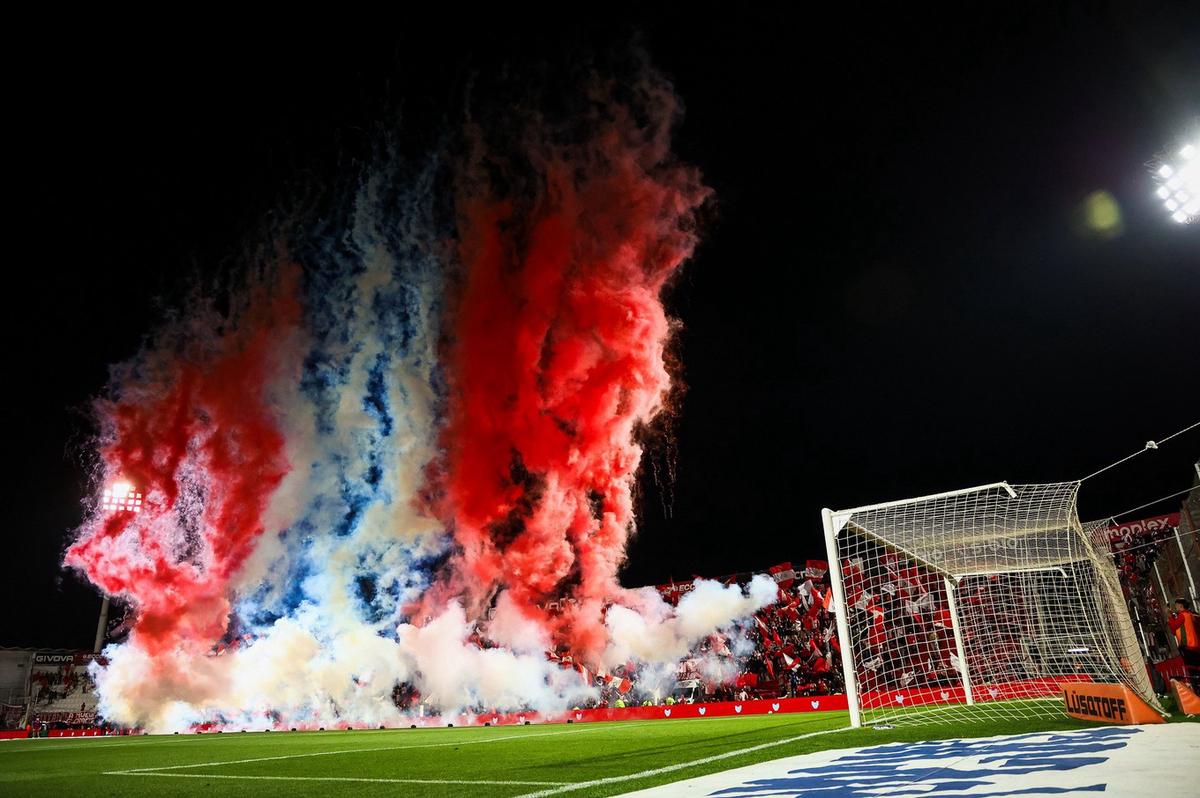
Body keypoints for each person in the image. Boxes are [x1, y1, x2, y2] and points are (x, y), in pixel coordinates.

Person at [1168, 597, 1200, 690]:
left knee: (1192, 669)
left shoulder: (1182, 616)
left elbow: (1173, 628)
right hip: (1195, 645)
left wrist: (1170, 617)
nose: (1176, 607)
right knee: (1197, 667)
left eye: (1177, 605)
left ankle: (1196, 687)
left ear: (1181, 606)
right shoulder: (1190, 615)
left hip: (1187, 646)